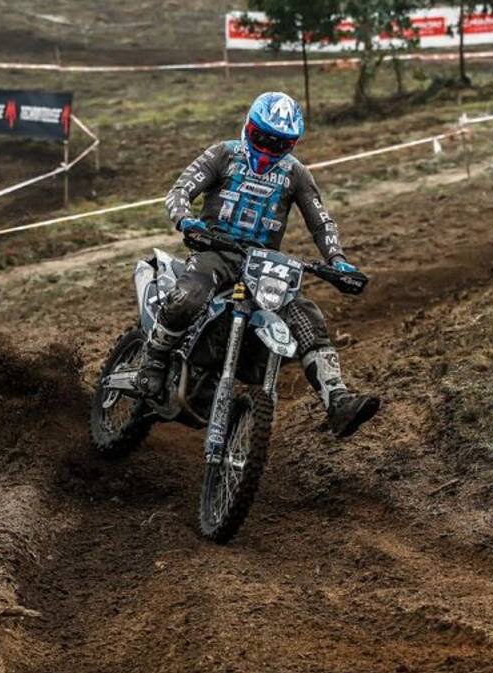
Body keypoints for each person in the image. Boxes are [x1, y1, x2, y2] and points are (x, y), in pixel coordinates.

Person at [141, 91, 379, 438]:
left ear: (292, 144)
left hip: (264, 262)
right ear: (249, 127)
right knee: (190, 295)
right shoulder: (223, 154)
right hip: (216, 248)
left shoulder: (296, 174)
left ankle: (338, 400)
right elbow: (180, 190)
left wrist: (338, 261)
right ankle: (154, 358)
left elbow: (321, 221)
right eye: (262, 137)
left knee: (306, 314)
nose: (267, 148)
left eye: (278, 143)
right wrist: (185, 220)